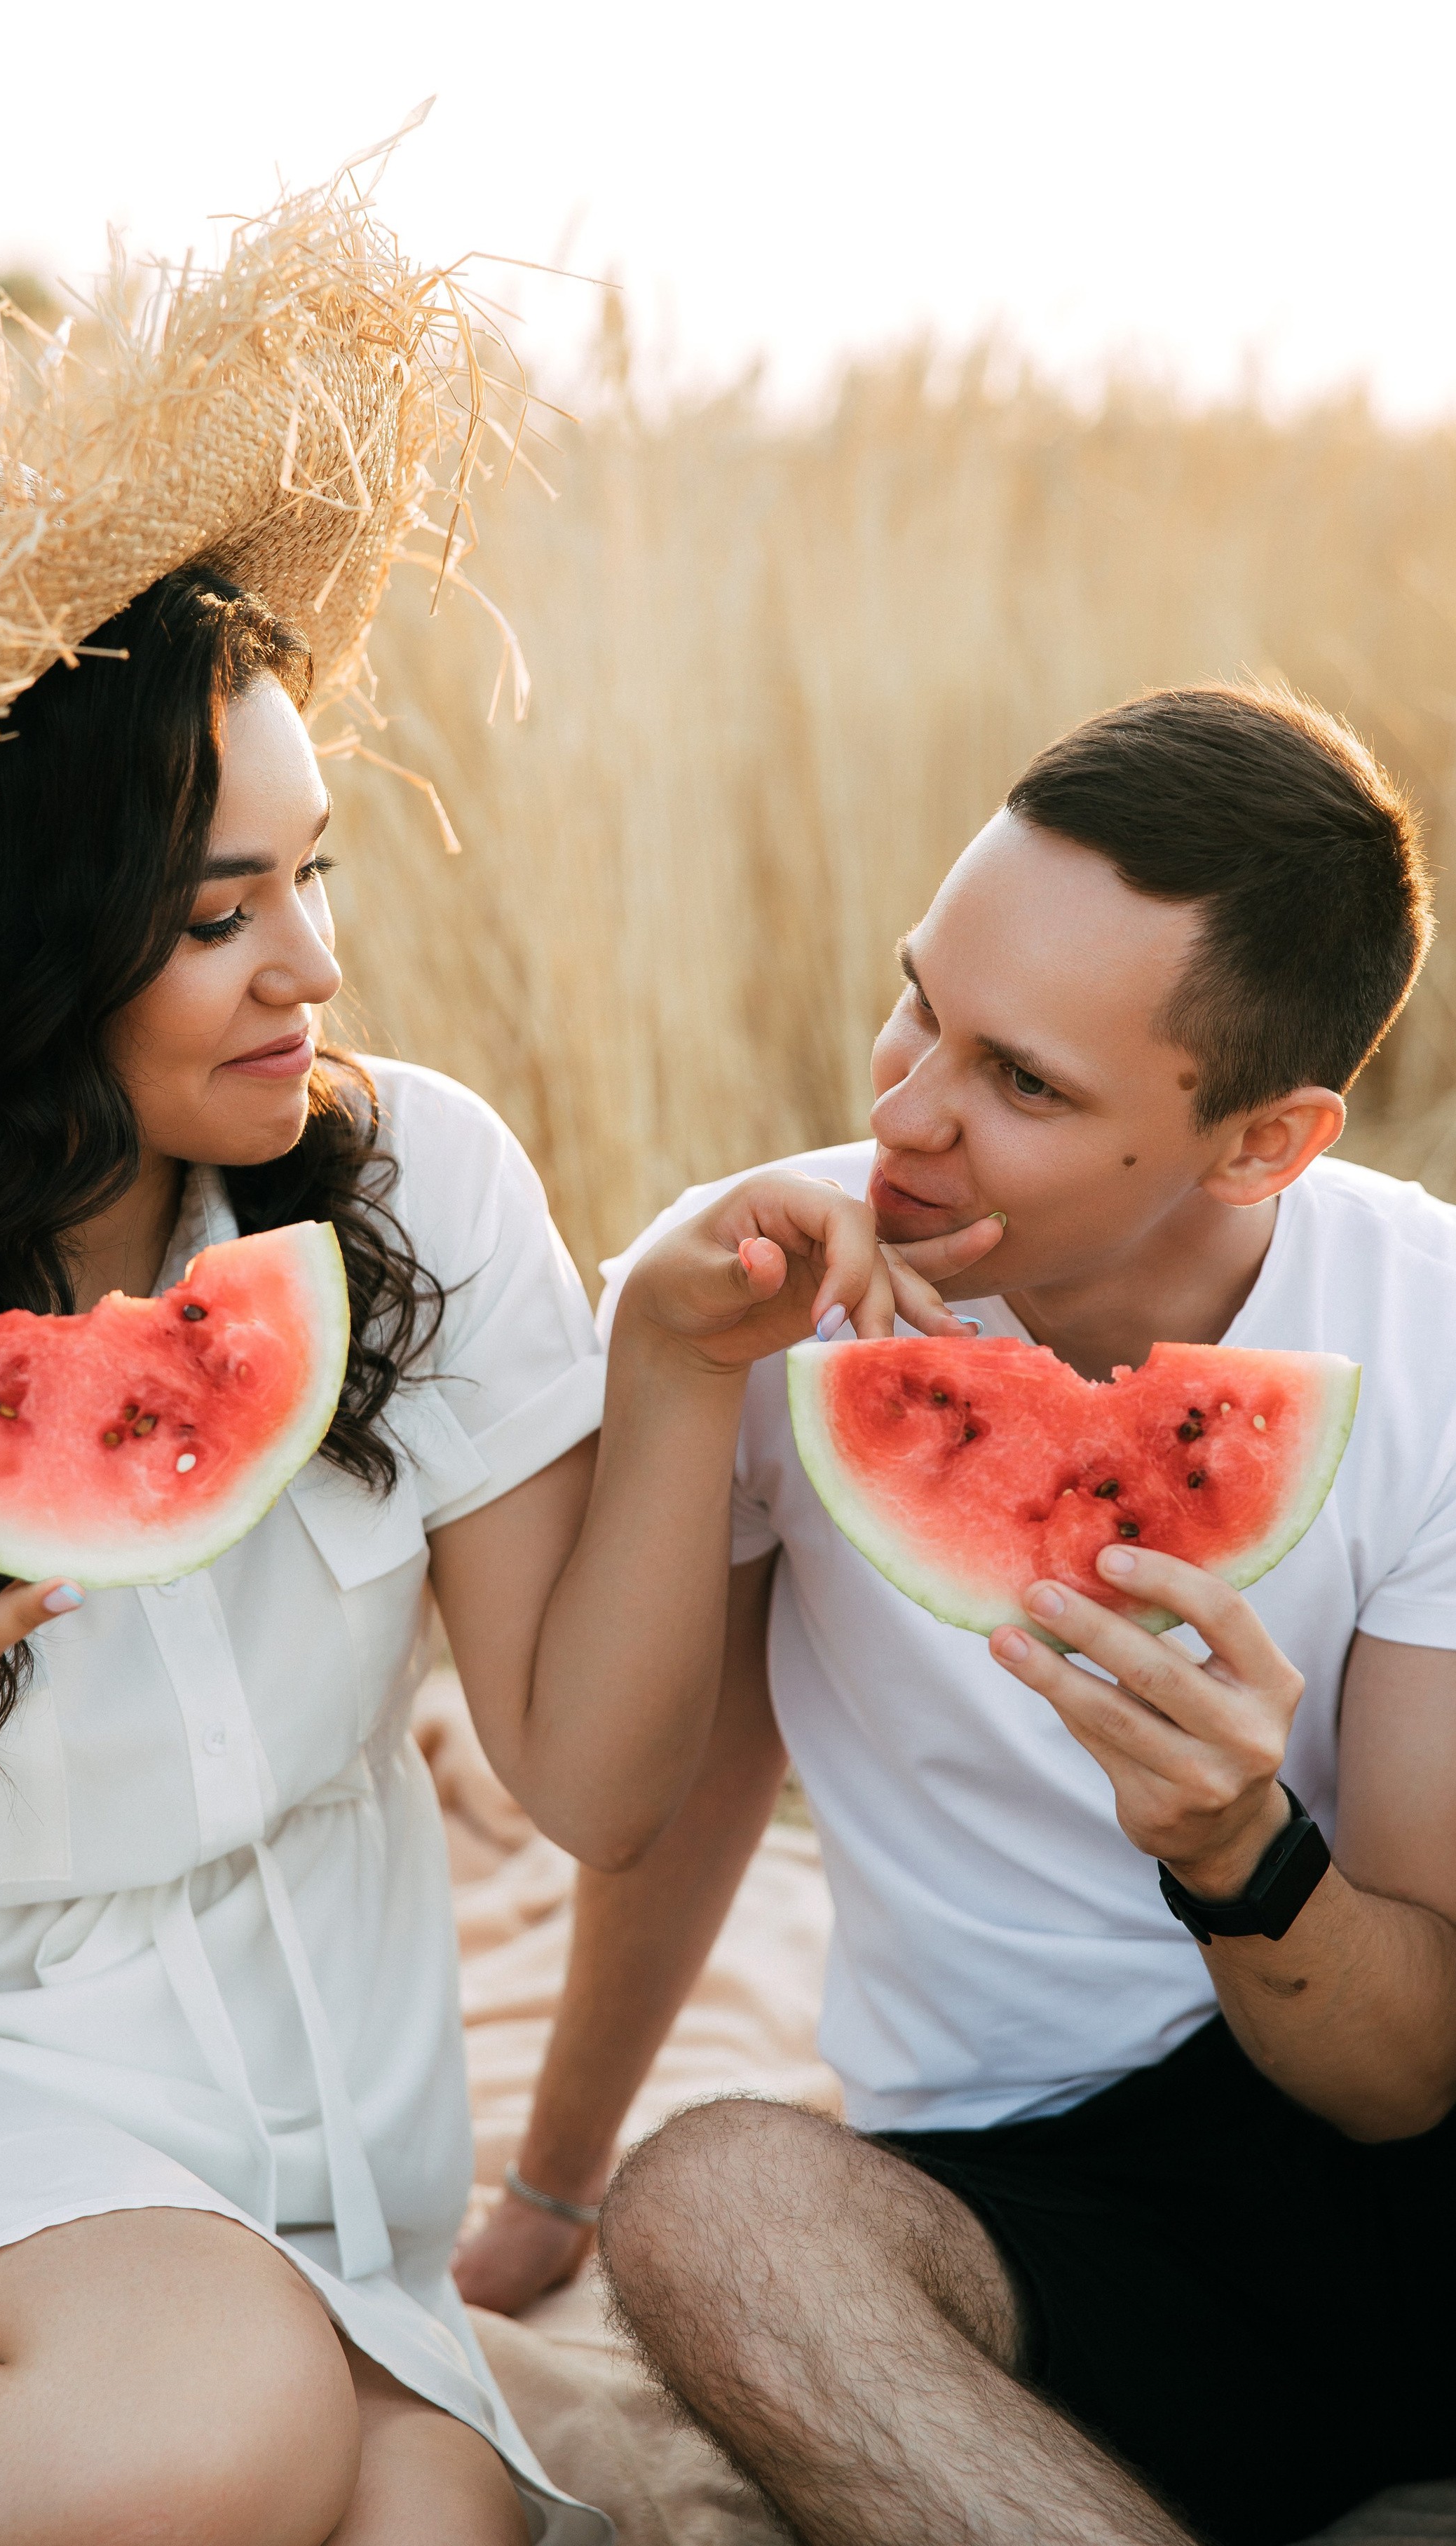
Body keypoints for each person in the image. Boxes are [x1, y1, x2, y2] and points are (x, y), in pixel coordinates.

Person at [0, 189, 991, 2546]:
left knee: (427, 2519)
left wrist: (675, 1364)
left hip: (320, 2192)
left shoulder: (412, 1190)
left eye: (319, 872)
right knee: (214, 2415)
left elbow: (591, 1790)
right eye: (212, 914)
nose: (312, 967)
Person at [457, 686, 1456, 2546]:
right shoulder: (755, 1295)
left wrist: (1241, 1848)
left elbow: (1408, 2080)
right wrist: (561, 2180)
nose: (901, 1110)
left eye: (1024, 1082)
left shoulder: (1428, 1341)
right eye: (921, 998)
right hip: (1042, 2220)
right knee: (721, 2206)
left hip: (1383, 2116)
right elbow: (671, 1800)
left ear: (1264, 1145)